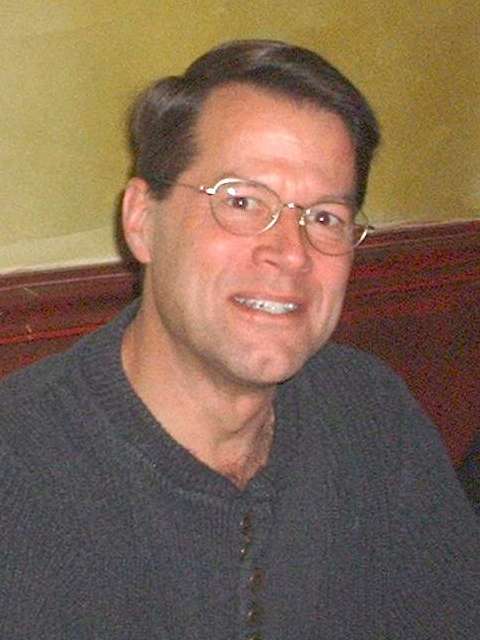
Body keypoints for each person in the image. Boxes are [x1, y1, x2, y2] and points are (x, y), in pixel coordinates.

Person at [0, 39, 478, 639]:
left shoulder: (371, 415)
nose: (291, 253)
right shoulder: (19, 474)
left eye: (324, 217)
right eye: (244, 202)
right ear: (142, 221)